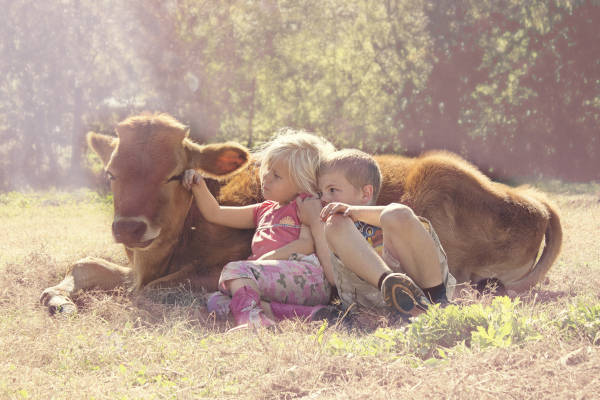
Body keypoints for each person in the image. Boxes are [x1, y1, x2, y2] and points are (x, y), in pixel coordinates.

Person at [182, 130, 336, 329]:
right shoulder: (263, 210)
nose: (266, 178)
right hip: (271, 279)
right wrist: (198, 184)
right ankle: (308, 315)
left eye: (277, 176)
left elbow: (306, 244)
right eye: (267, 170)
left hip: (308, 278)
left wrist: (266, 259)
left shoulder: (304, 204)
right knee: (215, 301)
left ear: (303, 183)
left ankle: (252, 320)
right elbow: (215, 213)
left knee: (235, 270)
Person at [297, 149, 455, 319]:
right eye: (321, 193)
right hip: (369, 298)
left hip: (424, 286)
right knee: (335, 223)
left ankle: (437, 300)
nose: (324, 198)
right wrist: (318, 223)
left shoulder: (390, 218)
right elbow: (333, 278)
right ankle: (393, 287)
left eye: (332, 190)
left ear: (365, 193)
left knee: (398, 212)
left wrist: (354, 212)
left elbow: (399, 214)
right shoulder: (334, 226)